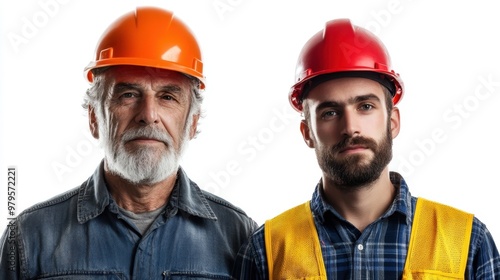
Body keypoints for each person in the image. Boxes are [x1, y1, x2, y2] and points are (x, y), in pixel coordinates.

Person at [0, 6, 257, 279]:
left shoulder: (241, 237)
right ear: (94, 118)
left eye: (168, 97)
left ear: (192, 123)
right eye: (128, 95)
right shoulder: (29, 238)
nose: (148, 115)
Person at [233, 18, 500, 279]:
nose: (350, 128)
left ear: (393, 122)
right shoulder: (265, 251)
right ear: (307, 133)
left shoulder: (468, 243)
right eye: (329, 112)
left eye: (366, 107)